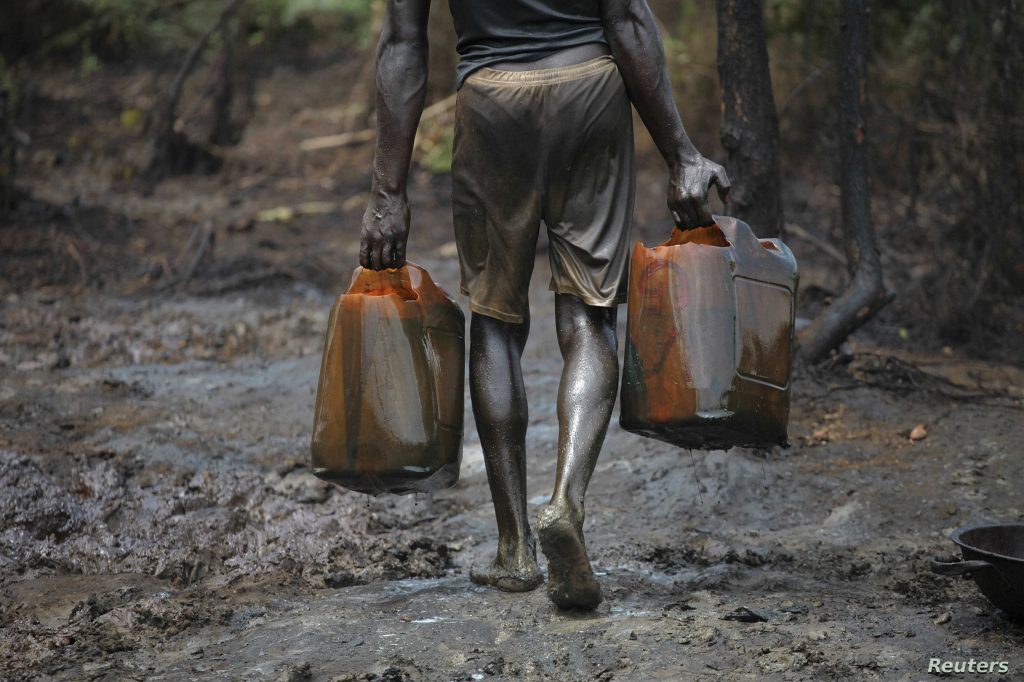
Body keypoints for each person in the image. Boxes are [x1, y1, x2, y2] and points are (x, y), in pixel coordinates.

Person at [359, 0, 731, 610]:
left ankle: (515, 550)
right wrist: (682, 153)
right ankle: (566, 502)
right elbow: (630, 22)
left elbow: (403, 43)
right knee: (589, 316)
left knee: (495, 323)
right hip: (590, 91)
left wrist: (387, 191)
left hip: (491, 103)